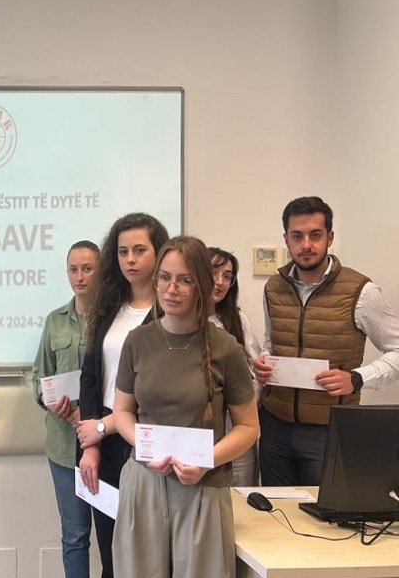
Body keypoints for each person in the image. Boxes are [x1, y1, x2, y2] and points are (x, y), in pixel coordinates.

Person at [112, 236, 259, 577]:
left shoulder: (227, 348)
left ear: (202, 286)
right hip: (144, 482)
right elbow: (122, 412)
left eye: (184, 280)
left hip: (203, 487)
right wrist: (145, 448)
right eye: (165, 277)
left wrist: (206, 460)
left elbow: (248, 427)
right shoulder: (137, 341)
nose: (171, 288)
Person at [254, 196, 399, 486]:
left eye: (315, 235)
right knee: (276, 510)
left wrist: (356, 378)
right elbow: (273, 342)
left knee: (324, 512)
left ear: (329, 238)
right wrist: (264, 362)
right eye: (297, 236)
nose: (306, 244)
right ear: (286, 239)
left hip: (329, 429)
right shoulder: (273, 287)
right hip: (274, 427)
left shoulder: (361, 291)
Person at [77, 212, 169, 578]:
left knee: (147, 555)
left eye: (139, 250)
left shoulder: (170, 312)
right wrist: (91, 443)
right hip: (102, 437)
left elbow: (161, 391)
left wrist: (105, 426)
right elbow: (89, 376)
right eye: (122, 251)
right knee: (111, 553)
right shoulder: (107, 307)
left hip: (144, 436)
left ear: (159, 252)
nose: (130, 259)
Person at [32, 240, 100, 578]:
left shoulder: (112, 319)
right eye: (73, 269)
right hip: (62, 446)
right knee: (74, 537)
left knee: (117, 534)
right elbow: (39, 375)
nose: (79, 276)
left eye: (87, 269)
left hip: (105, 443)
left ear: (101, 272)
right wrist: (48, 400)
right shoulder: (55, 321)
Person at [207, 247, 262, 487]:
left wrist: (243, 404)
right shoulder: (180, 321)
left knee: (240, 497)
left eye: (227, 276)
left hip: (236, 427)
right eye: (214, 272)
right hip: (198, 428)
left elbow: (255, 370)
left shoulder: (237, 319)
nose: (220, 282)